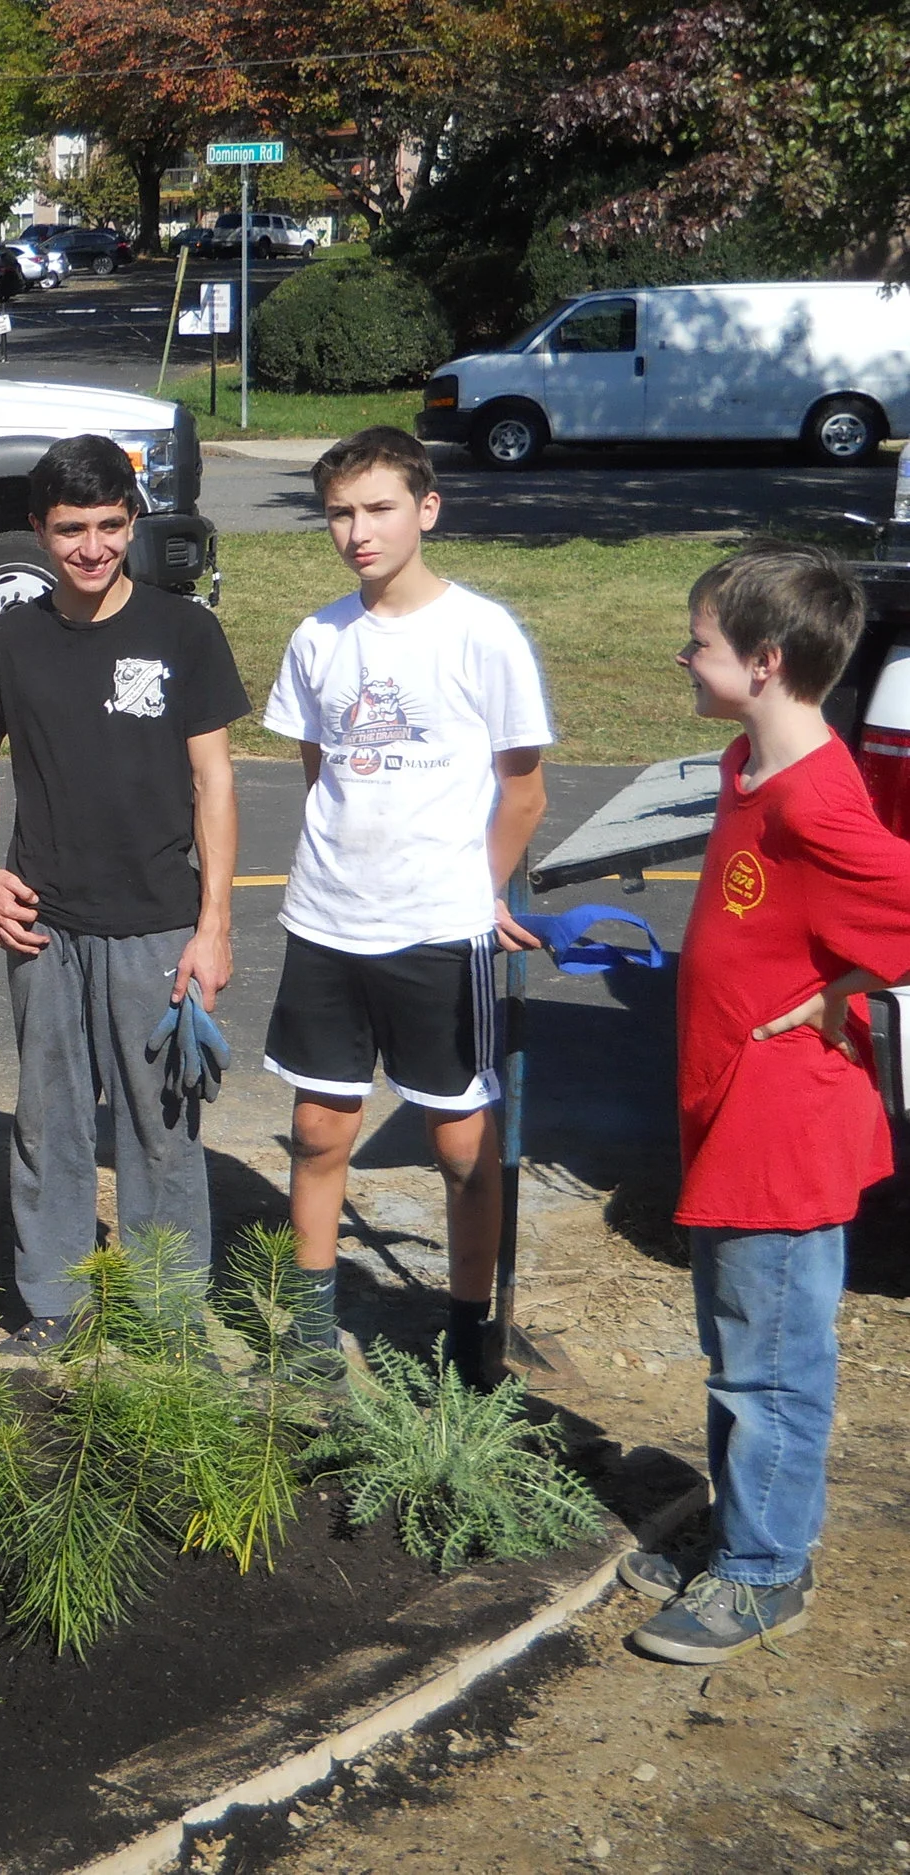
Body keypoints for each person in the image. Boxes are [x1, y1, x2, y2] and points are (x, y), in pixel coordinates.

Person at [620, 542, 910, 1664]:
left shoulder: (818, 802)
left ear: (765, 661)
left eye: (699, 642)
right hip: (725, 1115)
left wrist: (851, 984)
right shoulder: (752, 766)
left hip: (781, 1134)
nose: (684, 656)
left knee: (772, 1362)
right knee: (735, 1345)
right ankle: (740, 1529)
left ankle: (763, 1571)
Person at [259, 426, 551, 1389]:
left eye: (379, 508)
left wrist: (479, 892)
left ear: (426, 509)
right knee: (317, 1130)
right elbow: (319, 770)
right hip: (328, 921)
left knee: (461, 1143)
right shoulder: (317, 636)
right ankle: (307, 1330)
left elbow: (524, 790)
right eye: (340, 512)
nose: (358, 531)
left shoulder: (482, 632)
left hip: (438, 931)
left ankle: (469, 1333)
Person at [0, 436, 248, 1354]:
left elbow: (216, 783)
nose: (92, 547)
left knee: (164, 1127)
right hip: (43, 922)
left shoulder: (183, 632)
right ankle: (54, 1301)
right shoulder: (6, 640)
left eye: (110, 526)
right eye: (71, 528)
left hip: (158, 918)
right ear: (39, 531)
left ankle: (166, 1312)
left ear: (134, 521)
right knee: (51, 1120)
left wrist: (215, 926)